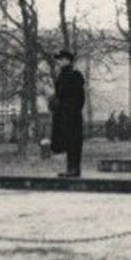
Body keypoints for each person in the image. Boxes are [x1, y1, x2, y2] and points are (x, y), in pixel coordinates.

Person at [49, 49, 86, 177]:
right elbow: (60, 96)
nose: (58, 62)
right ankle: (71, 168)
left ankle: (74, 169)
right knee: (67, 142)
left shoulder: (75, 76)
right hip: (63, 115)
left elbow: (79, 98)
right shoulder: (61, 76)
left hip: (72, 116)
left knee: (74, 143)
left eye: (61, 59)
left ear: (67, 60)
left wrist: (70, 110)